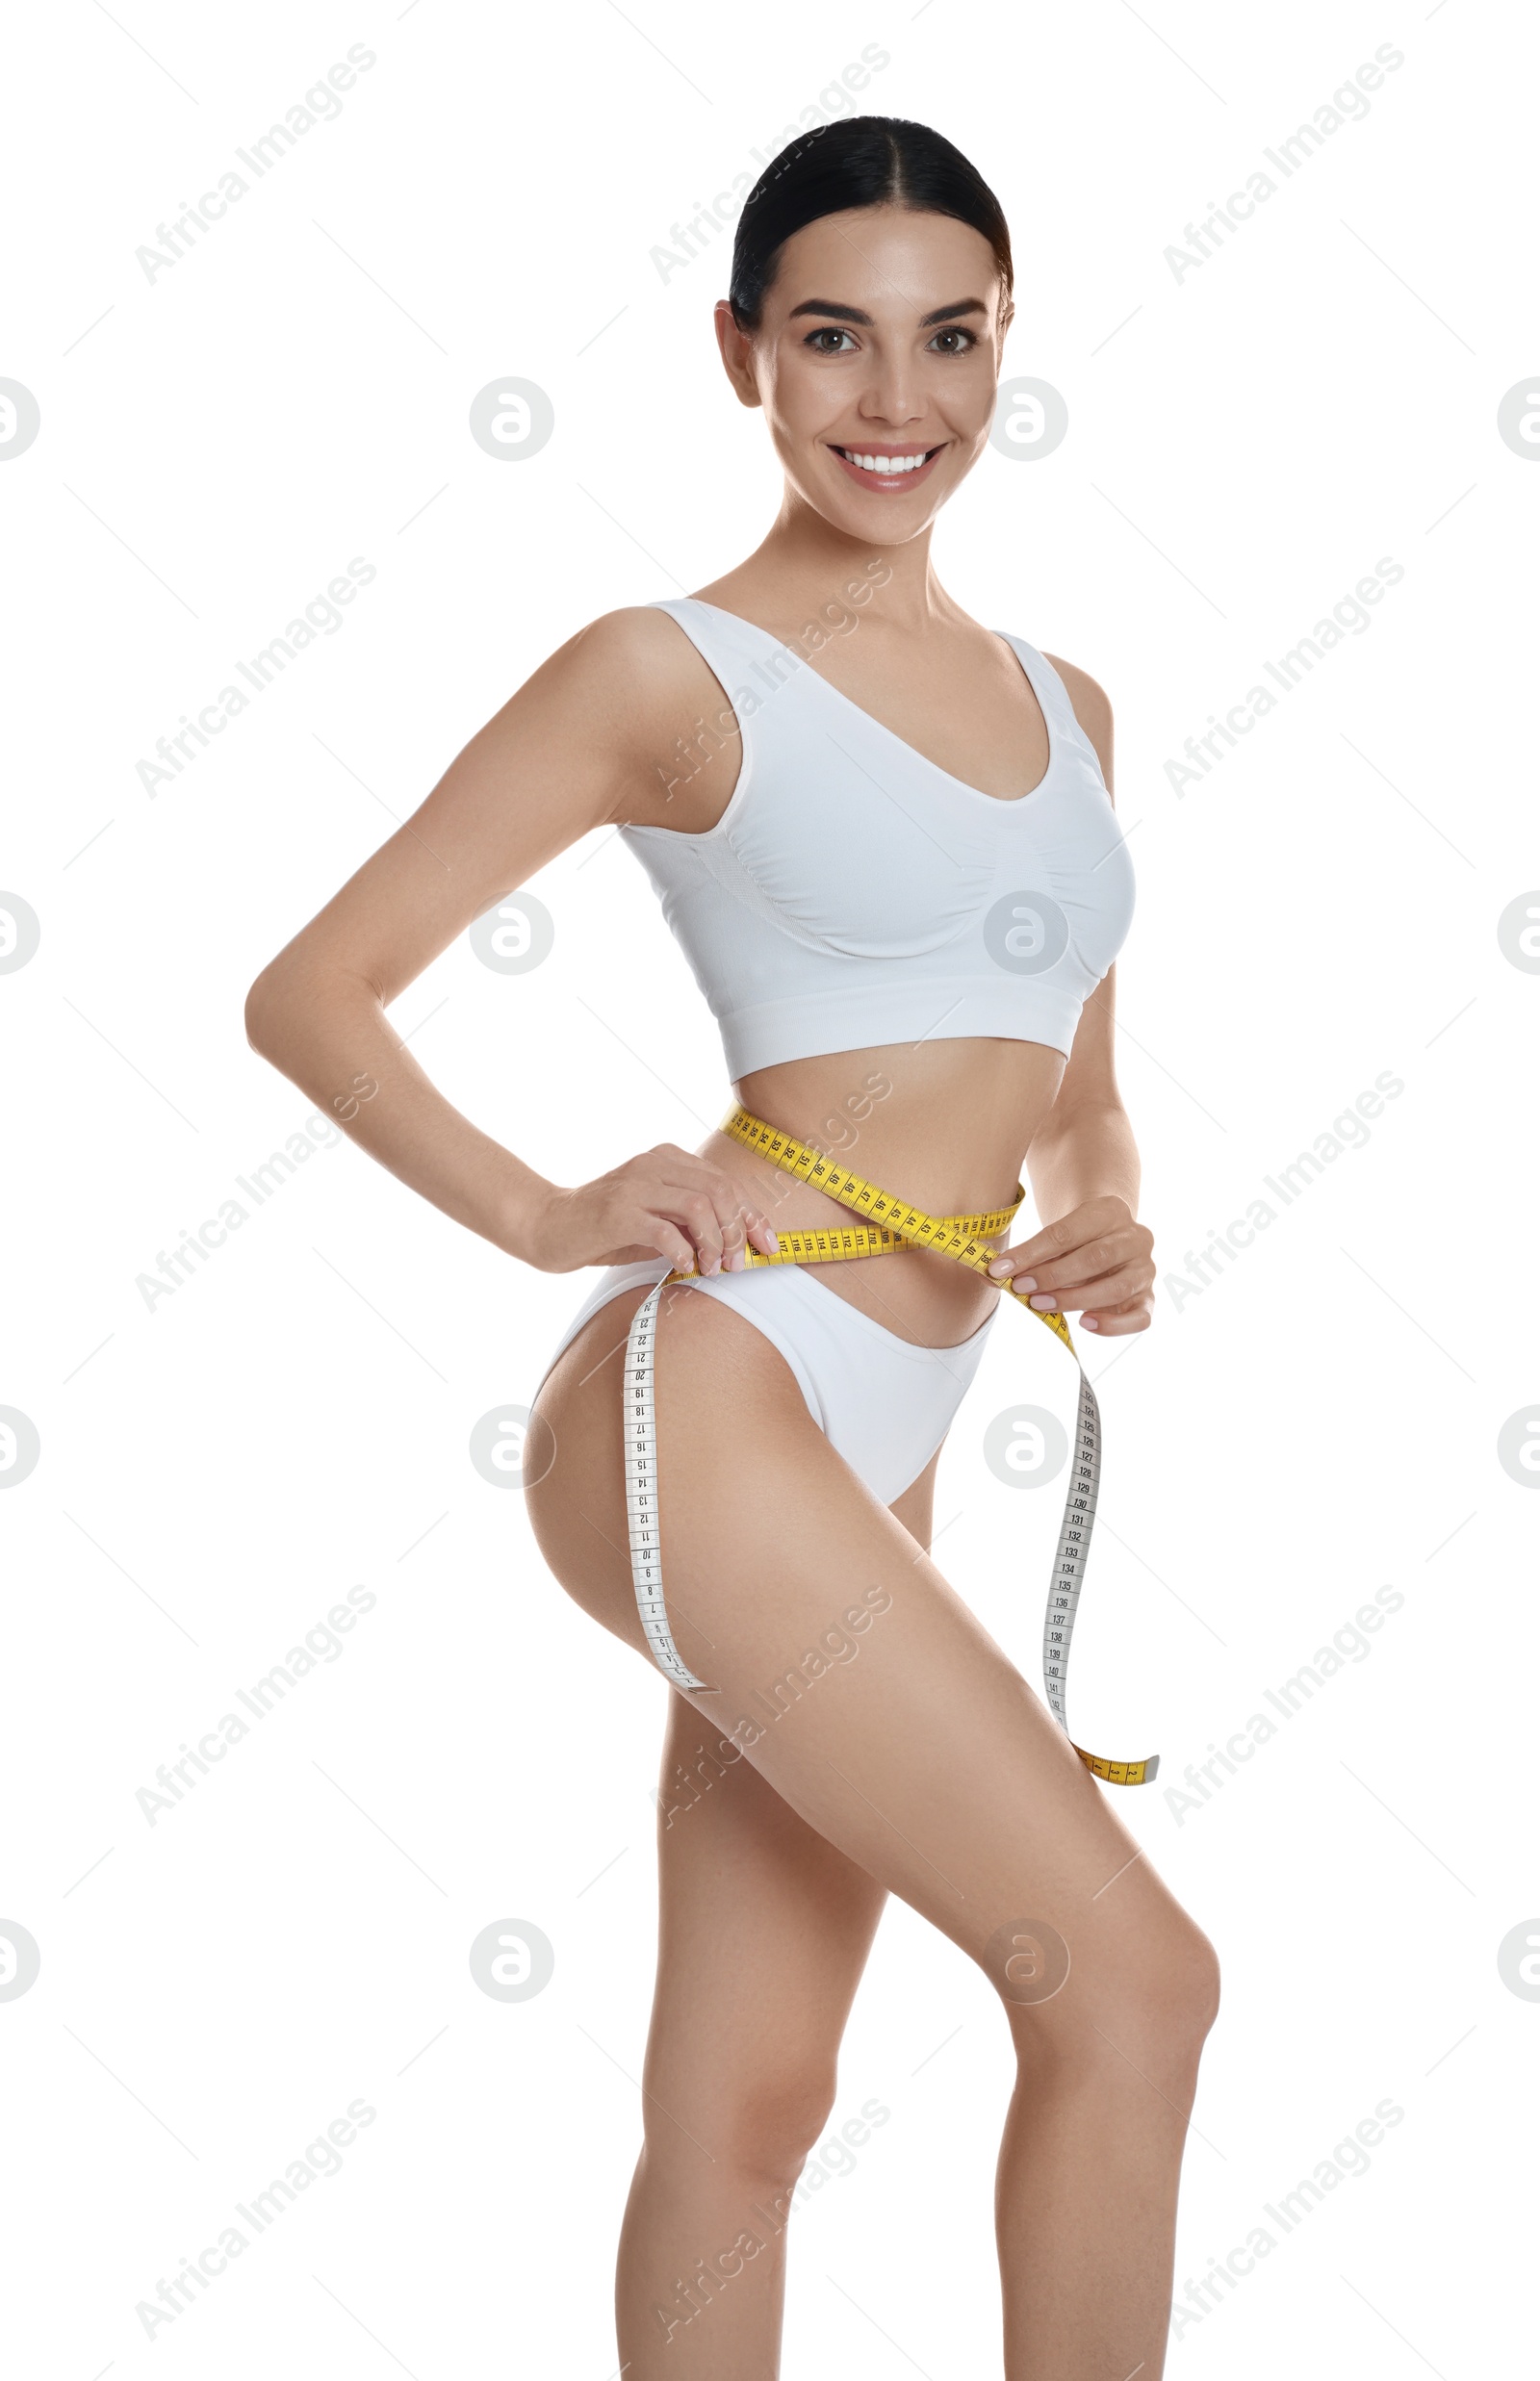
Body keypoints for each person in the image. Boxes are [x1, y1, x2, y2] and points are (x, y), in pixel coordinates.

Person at [245, 115, 1219, 2381]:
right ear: (740, 359)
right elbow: (311, 990)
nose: (899, 400)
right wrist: (548, 1208)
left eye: (949, 338)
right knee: (1136, 1984)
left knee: (745, 2100)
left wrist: (1102, 1222)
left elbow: (1072, 1098)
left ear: (1005, 350)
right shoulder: (665, 669)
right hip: (724, 1393)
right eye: (833, 339)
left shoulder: (1068, 710)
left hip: (888, 1428)